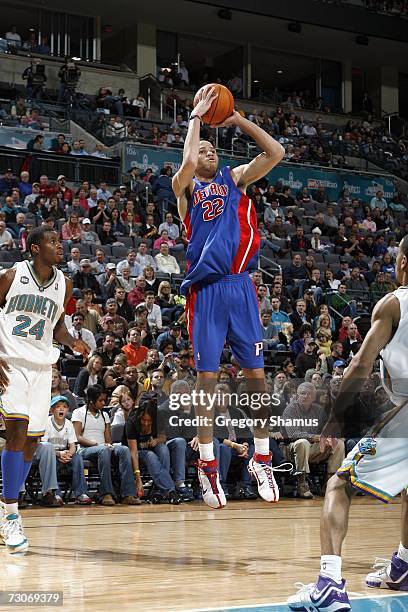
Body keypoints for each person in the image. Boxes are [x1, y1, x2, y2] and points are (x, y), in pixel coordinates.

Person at [172, 85, 285, 509]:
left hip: (241, 287)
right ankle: (206, 464)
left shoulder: (233, 178)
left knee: (256, 378)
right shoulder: (184, 188)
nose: (208, 152)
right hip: (206, 291)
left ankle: (261, 456)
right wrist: (196, 118)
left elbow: (276, 154)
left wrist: (235, 119)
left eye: (211, 149)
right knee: (207, 382)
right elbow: (184, 162)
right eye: (202, 150)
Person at [288, 235, 408, 610]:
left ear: (401, 263)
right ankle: (403, 565)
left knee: (340, 483)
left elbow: (359, 364)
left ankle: (328, 583)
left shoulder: (393, 304)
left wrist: (336, 418)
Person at [0, 226, 89, 554]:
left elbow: (57, 326)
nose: (60, 246)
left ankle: (5, 503)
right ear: (34, 248)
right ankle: (11, 514)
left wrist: (73, 342)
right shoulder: (11, 276)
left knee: (33, 442)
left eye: (59, 241)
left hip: (42, 367)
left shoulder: (64, 284)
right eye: (52, 242)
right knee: (17, 431)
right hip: (10, 362)